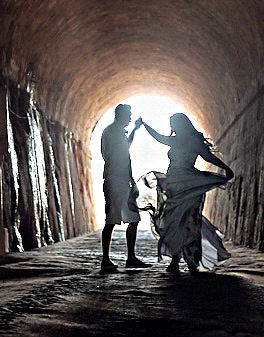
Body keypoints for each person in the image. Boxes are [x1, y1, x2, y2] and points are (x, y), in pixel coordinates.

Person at [138, 113, 234, 272]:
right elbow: (159, 137)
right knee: (174, 221)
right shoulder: (175, 140)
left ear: (182, 124)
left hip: (189, 185)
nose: (172, 127)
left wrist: (226, 168)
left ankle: (192, 261)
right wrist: (145, 125)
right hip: (174, 186)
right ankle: (176, 260)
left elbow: (209, 157)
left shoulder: (193, 141)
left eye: (174, 124)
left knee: (190, 222)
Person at [99, 103, 149, 272]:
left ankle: (129, 258)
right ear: (120, 114)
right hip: (116, 180)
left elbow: (124, 150)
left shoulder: (114, 131)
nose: (130, 117)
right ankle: (108, 259)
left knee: (131, 219)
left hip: (118, 180)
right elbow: (119, 158)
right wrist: (130, 180)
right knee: (113, 220)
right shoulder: (113, 132)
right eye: (128, 114)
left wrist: (134, 130)